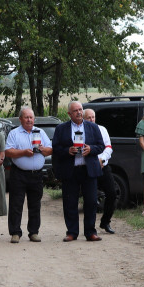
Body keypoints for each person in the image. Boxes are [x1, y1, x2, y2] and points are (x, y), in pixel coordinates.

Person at [51, 101, 105, 241]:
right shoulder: (61, 129)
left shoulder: (92, 127)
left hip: (89, 170)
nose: (79, 112)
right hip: (71, 170)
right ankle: (71, 232)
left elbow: (101, 146)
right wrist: (67, 151)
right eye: (75, 110)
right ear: (69, 114)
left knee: (91, 202)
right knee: (70, 202)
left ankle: (90, 232)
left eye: (80, 109)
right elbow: (55, 149)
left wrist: (91, 149)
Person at [4, 106, 52, 243]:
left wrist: (43, 150)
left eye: (31, 117)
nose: (29, 120)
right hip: (19, 174)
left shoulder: (41, 132)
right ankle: (15, 233)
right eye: (26, 117)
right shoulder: (14, 133)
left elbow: (50, 150)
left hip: (36, 174)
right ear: (20, 119)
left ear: (34, 119)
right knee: (16, 204)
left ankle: (34, 232)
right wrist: (23, 152)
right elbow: (8, 152)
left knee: (35, 204)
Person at [84, 109, 116, 234]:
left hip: (103, 166)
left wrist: (102, 160)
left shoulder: (102, 129)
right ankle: (90, 227)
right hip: (89, 167)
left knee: (112, 194)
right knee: (91, 199)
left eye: (93, 117)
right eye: (89, 118)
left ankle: (105, 222)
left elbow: (108, 147)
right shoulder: (82, 131)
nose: (92, 120)